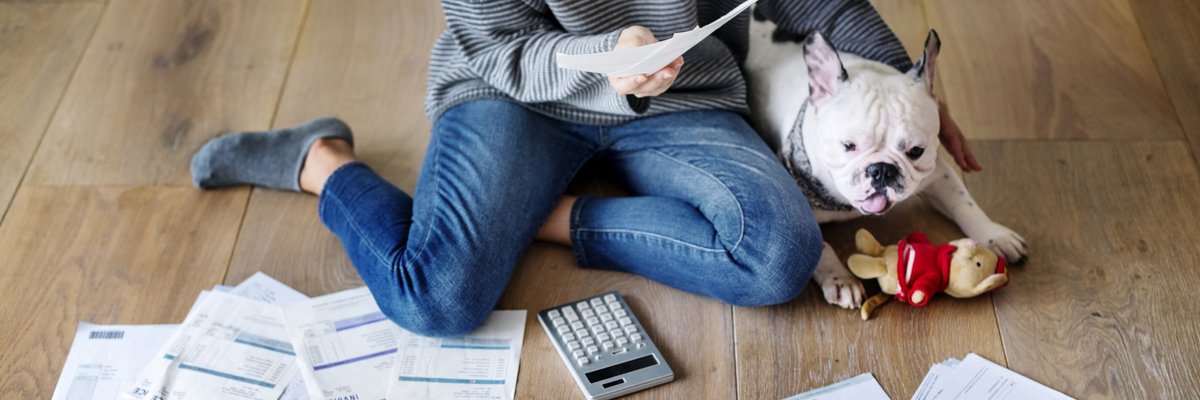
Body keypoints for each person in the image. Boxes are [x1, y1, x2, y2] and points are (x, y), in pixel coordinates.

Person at [190, 0, 981, 337]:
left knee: (781, 255)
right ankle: (321, 162)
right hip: (513, 93)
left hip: (685, 91)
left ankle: (551, 215)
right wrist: (599, 59)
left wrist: (897, 89)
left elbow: (819, 1)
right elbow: (497, 46)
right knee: (435, 300)